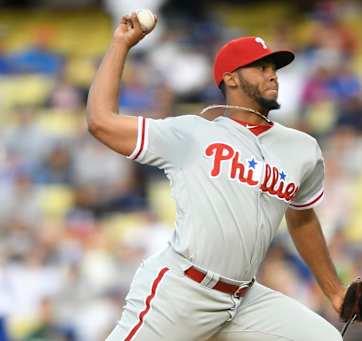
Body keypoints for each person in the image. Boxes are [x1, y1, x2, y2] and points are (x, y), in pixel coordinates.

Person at [87, 12, 345, 341]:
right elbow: (100, 121)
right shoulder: (191, 132)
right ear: (231, 78)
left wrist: (335, 291)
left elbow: (303, 218)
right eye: (261, 67)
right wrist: (121, 43)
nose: (272, 75)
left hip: (244, 299)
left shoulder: (302, 148)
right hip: (184, 291)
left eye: (274, 68)